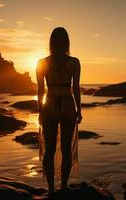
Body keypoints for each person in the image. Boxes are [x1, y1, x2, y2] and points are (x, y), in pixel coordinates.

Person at [36, 27, 82, 195]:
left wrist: (40, 112)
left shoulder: (42, 63)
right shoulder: (74, 62)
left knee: (49, 150)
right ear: (67, 42)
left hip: (49, 104)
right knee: (66, 149)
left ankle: (50, 189)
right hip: (68, 105)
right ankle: (63, 186)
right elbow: (76, 89)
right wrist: (79, 110)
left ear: (51, 42)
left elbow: (40, 91)